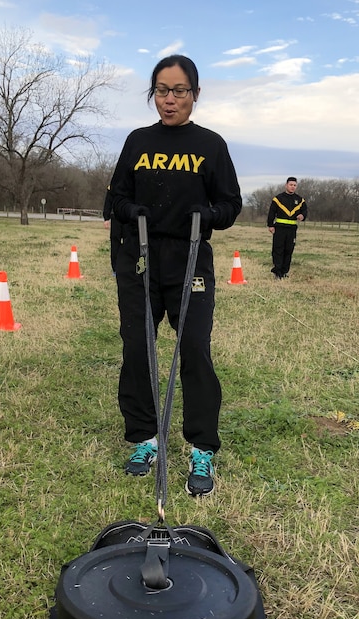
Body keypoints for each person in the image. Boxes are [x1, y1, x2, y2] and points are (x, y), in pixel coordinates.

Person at [109, 54, 242, 497]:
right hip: (142, 259)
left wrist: (209, 214)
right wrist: (131, 210)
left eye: (179, 91)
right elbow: (116, 199)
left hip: (190, 260)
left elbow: (231, 205)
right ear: (153, 94)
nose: (170, 99)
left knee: (195, 351)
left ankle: (201, 447)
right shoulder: (137, 141)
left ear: (195, 94)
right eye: (162, 90)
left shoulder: (211, 145)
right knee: (138, 349)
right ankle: (145, 438)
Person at [267, 177, 308, 279]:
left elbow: (304, 211)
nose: (292, 187)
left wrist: (302, 216)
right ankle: (277, 272)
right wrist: (270, 225)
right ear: (286, 185)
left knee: (288, 250)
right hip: (279, 228)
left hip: (292, 229)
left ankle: (284, 272)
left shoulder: (300, 200)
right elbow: (271, 212)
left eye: (294, 185)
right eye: (291, 185)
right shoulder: (278, 199)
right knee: (278, 250)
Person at [102, 184, 123, 274]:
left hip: (130, 217)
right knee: (115, 242)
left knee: (131, 242)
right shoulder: (113, 184)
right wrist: (106, 218)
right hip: (116, 217)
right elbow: (108, 200)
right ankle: (115, 268)